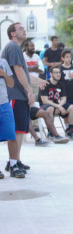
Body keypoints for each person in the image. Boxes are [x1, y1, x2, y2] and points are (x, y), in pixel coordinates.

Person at [2, 23, 47, 178]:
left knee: (20, 129)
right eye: (20, 28)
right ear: (13, 33)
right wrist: (29, 91)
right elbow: (18, 70)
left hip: (18, 95)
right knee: (15, 130)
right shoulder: (13, 47)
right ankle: (13, 163)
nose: (24, 30)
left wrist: (36, 81)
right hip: (14, 94)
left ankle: (15, 160)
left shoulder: (15, 48)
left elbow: (24, 71)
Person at [40, 65, 73, 139]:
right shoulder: (45, 84)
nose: (58, 74)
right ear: (50, 74)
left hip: (58, 105)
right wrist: (58, 106)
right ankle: (51, 132)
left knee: (71, 107)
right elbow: (45, 101)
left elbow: (64, 99)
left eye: (59, 73)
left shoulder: (61, 84)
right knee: (50, 109)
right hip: (46, 106)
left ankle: (71, 130)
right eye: (56, 73)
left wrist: (59, 106)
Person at [0, 57, 16, 178]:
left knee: (11, 135)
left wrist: (4, 74)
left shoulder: (3, 62)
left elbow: (11, 84)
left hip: (4, 104)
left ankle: (13, 165)